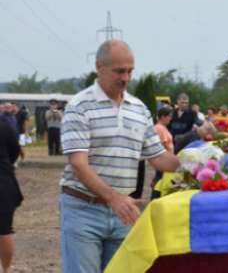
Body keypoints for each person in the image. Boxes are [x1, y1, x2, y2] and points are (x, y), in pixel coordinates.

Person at [59, 40, 180, 273]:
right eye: (119, 71)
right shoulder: (79, 106)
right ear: (98, 66)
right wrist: (114, 198)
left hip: (123, 212)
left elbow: (158, 157)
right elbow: (78, 164)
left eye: (130, 71)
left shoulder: (139, 109)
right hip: (84, 210)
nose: (125, 78)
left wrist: (195, 164)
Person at [0, 120, 23, 273]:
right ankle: (5, 269)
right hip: (3, 182)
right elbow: (14, 152)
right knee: (4, 229)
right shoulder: (3, 126)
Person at [151, 106, 174, 199]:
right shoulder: (160, 128)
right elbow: (164, 144)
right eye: (169, 116)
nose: (171, 118)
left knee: (160, 179)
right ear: (163, 117)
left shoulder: (162, 127)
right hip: (164, 160)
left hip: (165, 159)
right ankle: (155, 199)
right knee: (160, 181)